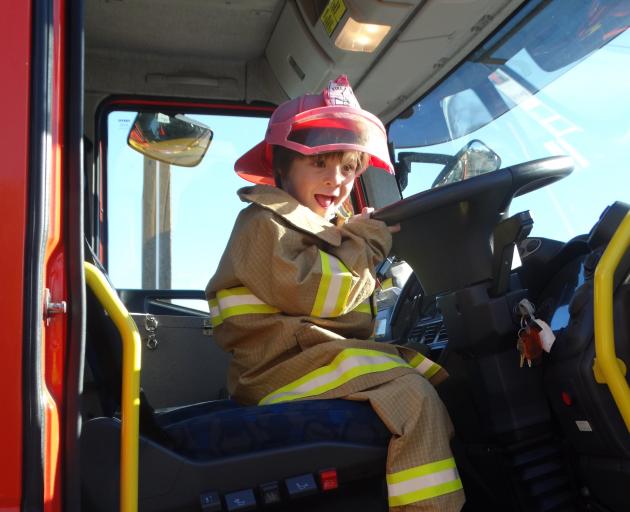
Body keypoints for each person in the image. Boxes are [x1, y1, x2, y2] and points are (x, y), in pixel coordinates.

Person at [206, 75, 465, 511]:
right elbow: (324, 294)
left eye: (348, 167)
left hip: (301, 359)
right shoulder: (263, 223)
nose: (337, 180)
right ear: (283, 166)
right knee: (414, 399)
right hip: (277, 370)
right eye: (320, 164)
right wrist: (368, 242)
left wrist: (352, 237)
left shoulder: (314, 228)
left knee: (435, 372)